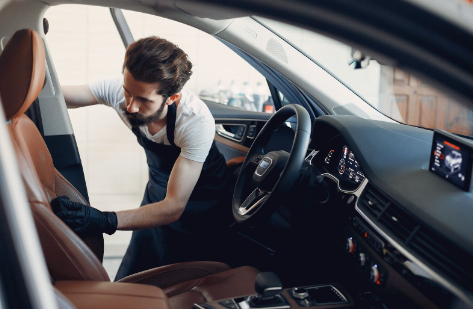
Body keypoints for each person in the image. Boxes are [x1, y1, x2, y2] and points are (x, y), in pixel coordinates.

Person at [58, 36, 231, 280]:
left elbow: (173, 207)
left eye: (144, 100)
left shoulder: (194, 121)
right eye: (128, 93)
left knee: (187, 278)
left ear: (172, 98)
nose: (130, 106)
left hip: (202, 201)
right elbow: (59, 96)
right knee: (137, 272)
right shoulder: (119, 92)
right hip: (159, 190)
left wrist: (105, 220)